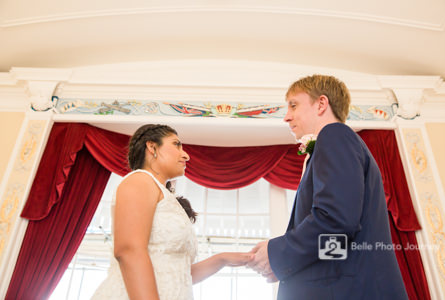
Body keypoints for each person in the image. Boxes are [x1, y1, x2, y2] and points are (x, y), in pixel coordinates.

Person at [247, 75, 408, 299]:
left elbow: (336, 220)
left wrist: (279, 255)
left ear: (321, 104)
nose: (286, 117)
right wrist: (295, 263)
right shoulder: (337, 142)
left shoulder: (334, 135)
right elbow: (340, 239)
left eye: (294, 105)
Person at [92, 124, 252, 300]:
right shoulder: (140, 180)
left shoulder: (166, 197)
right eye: (176, 144)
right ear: (152, 147)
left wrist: (223, 259)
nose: (186, 155)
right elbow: (129, 250)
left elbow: (179, 273)